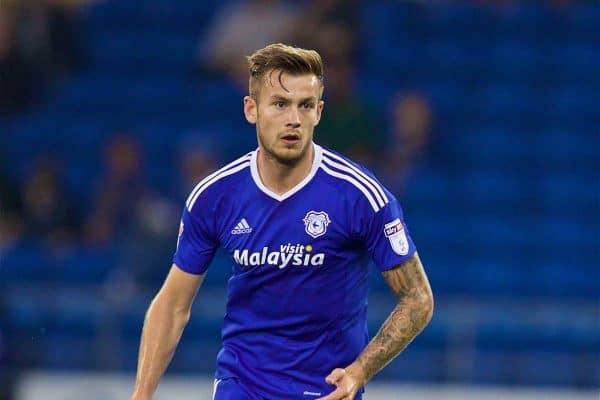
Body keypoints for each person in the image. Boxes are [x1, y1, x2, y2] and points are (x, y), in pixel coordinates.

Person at [131, 44, 434, 400]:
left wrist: (359, 371)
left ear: (319, 112)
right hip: (241, 386)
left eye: (305, 105)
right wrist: (141, 395)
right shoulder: (215, 196)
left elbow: (418, 298)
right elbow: (173, 304)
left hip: (327, 391)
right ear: (251, 109)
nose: (294, 118)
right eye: (279, 104)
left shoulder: (360, 197)